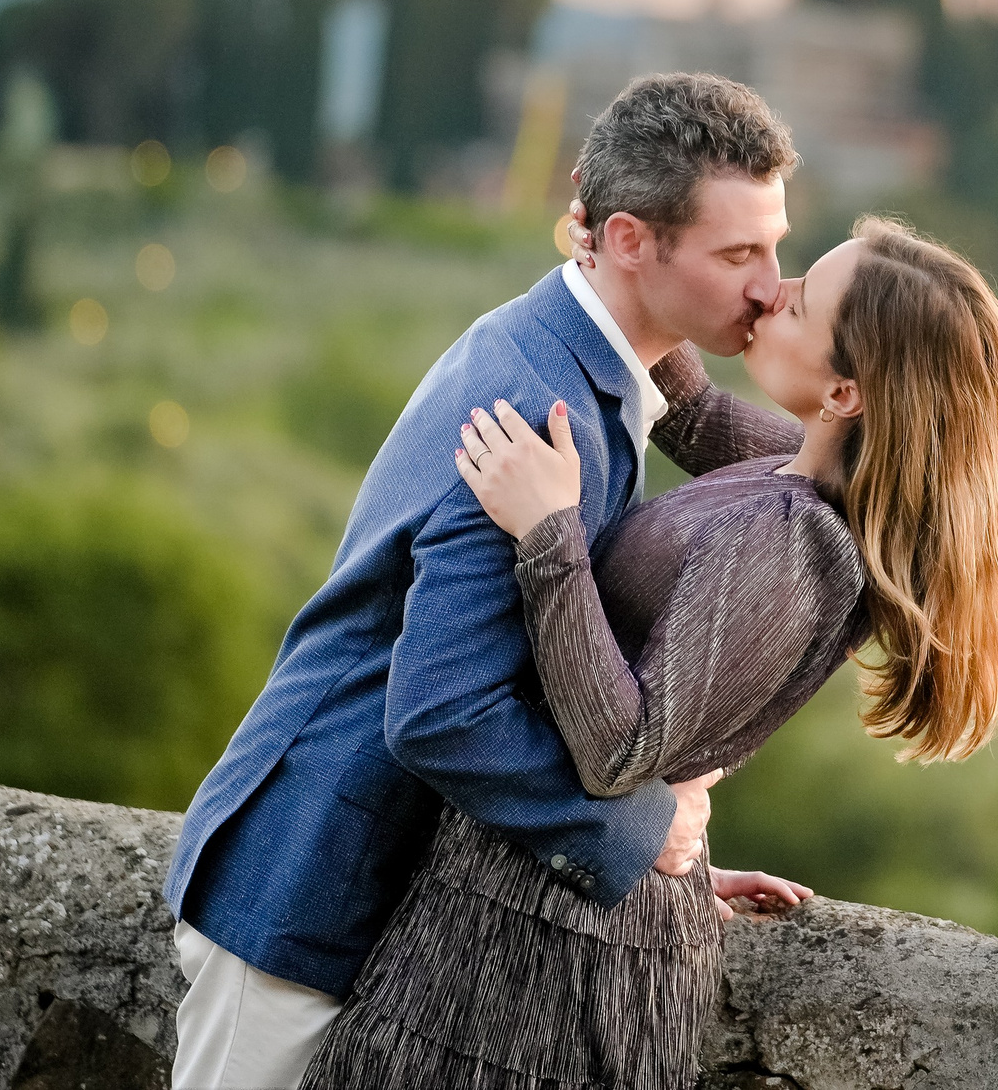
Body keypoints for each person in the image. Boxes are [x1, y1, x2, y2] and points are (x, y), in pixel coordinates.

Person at [299, 213, 998, 1090]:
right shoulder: (796, 469)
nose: (772, 290)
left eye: (799, 301)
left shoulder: (793, 542)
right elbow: (687, 411)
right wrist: (632, 255)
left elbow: (622, 748)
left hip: (555, 963)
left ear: (846, 391)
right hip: (543, 905)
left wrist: (550, 536)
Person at [162, 73, 802, 1090]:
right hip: (307, 882)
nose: (773, 284)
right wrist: (636, 836)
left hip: (379, 879)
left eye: (773, 247)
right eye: (741, 254)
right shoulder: (533, 404)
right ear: (632, 240)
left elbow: (806, 468)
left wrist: (661, 884)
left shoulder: (584, 360)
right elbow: (443, 711)